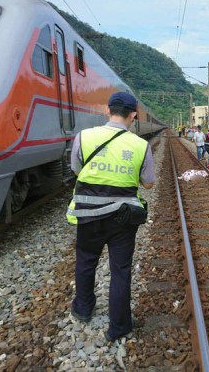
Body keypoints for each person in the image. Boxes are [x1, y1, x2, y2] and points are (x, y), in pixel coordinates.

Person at [66, 91, 155, 343]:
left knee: (85, 261)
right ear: (134, 115)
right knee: (120, 270)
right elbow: (148, 183)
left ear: (108, 110)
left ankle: (83, 309)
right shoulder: (140, 145)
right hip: (123, 218)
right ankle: (119, 326)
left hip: (88, 213)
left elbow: (76, 169)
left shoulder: (84, 137)